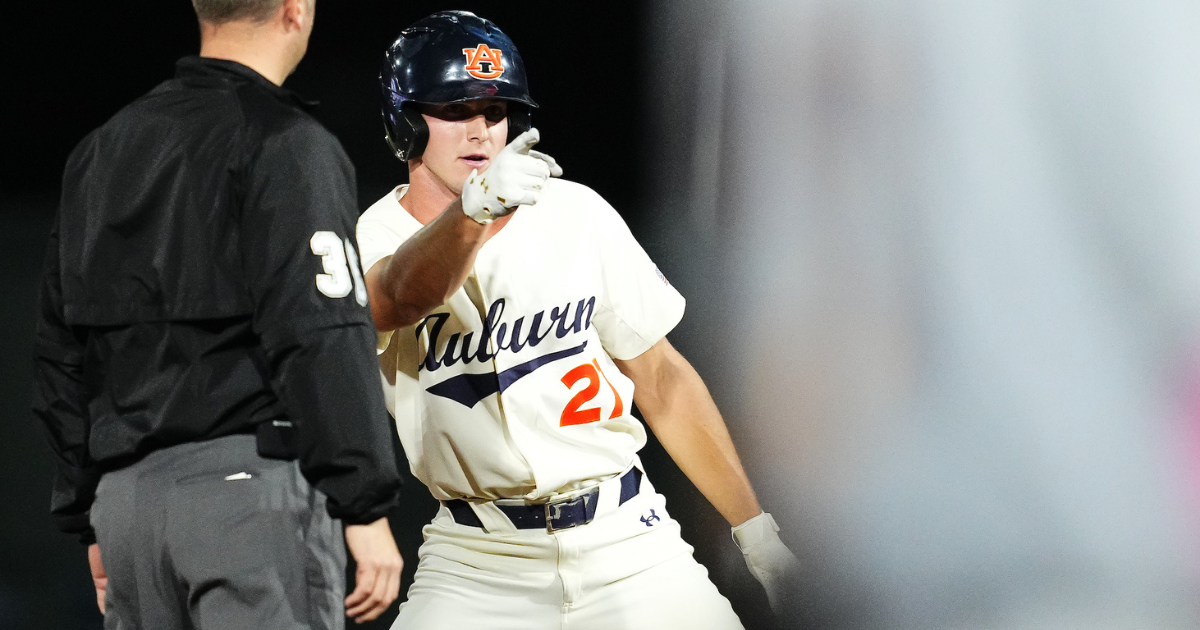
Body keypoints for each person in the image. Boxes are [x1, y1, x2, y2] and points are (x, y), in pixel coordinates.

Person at [357, 10, 800, 629]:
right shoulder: (376, 235)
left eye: (495, 110)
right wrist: (473, 215)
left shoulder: (574, 211)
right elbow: (397, 296)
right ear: (405, 122)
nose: (481, 132)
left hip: (627, 537)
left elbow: (662, 380)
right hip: (479, 558)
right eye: (455, 110)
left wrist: (756, 532)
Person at [32, 0, 405, 627]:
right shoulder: (286, 142)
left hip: (126, 510)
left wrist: (88, 512)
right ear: (296, 10)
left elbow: (59, 353)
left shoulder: (99, 151)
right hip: (247, 499)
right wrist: (363, 503)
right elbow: (320, 331)